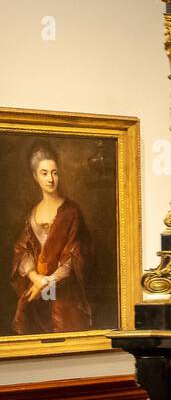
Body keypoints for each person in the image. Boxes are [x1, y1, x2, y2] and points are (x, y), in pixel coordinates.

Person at [11, 143, 93, 334]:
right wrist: (35, 277)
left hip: (64, 292)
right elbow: (23, 249)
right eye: (44, 173)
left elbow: (75, 255)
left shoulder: (71, 212)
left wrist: (47, 282)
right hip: (38, 291)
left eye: (54, 173)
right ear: (35, 177)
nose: (50, 179)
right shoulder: (32, 213)